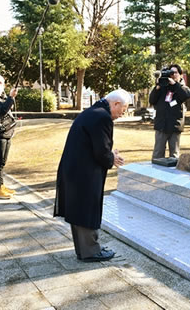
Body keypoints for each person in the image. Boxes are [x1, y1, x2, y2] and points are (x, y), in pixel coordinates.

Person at [54, 89, 130, 262]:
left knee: (79, 209)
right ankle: (91, 251)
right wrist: (112, 157)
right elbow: (101, 152)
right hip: (84, 172)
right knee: (87, 209)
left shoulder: (92, 112)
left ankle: (84, 250)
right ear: (116, 104)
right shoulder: (102, 117)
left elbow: (94, 145)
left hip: (75, 169)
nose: (121, 114)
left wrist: (109, 154)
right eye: (123, 110)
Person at [149, 64, 190, 159]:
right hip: (161, 125)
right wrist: (157, 88)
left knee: (174, 156)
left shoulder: (182, 87)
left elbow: (186, 95)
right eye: (171, 73)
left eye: (175, 72)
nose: (173, 75)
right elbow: (152, 100)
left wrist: (175, 84)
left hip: (175, 126)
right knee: (158, 154)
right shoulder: (162, 86)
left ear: (180, 75)